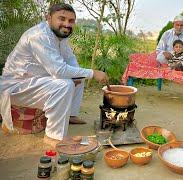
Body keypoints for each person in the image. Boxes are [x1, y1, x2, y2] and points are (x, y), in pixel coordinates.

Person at [0, 3, 108, 145]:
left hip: (36, 81)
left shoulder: (60, 37)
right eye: (61, 19)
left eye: (71, 21)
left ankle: (70, 115)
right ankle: (53, 136)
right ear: (49, 17)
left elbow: (70, 60)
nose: (67, 24)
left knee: (78, 77)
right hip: (16, 86)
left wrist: (81, 74)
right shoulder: (39, 36)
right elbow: (58, 71)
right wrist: (93, 73)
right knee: (65, 84)